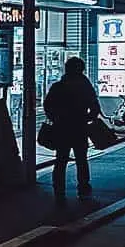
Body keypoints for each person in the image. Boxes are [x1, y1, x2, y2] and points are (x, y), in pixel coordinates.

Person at [43, 56, 101, 201]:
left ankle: (59, 190)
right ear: (82, 69)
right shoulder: (85, 86)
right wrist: (85, 118)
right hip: (79, 127)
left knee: (61, 160)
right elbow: (95, 108)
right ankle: (83, 187)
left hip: (62, 128)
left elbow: (47, 105)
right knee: (81, 159)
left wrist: (56, 118)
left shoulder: (58, 86)